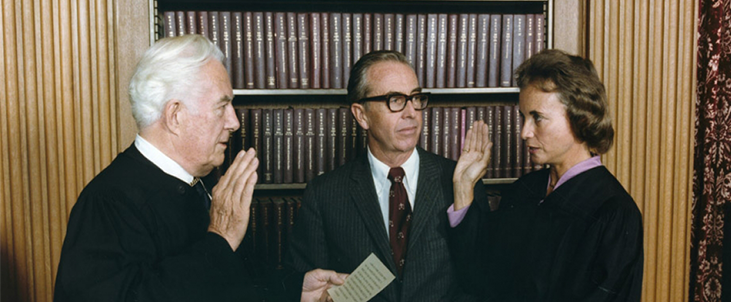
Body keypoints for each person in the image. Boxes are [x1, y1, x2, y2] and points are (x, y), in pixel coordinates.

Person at [54, 35, 345, 302]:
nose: (234, 122)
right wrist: (219, 239)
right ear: (175, 115)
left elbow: (230, 286)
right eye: (222, 107)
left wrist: (295, 290)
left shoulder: (195, 184)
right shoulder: (108, 202)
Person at [284, 50, 487, 301]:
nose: (411, 112)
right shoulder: (324, 193)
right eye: (395, 100)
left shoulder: (461, 180)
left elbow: (481, 283)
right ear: (362, 115)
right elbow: (308, 288)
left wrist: (464, 190)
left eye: (415, 98)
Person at [449, 49, 644, 301]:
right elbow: (479, 277)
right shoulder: (525, 190)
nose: (524, 132)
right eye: (523, 117)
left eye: (537, 118)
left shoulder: (613, 213)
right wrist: (464, 186)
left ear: (580, 117)